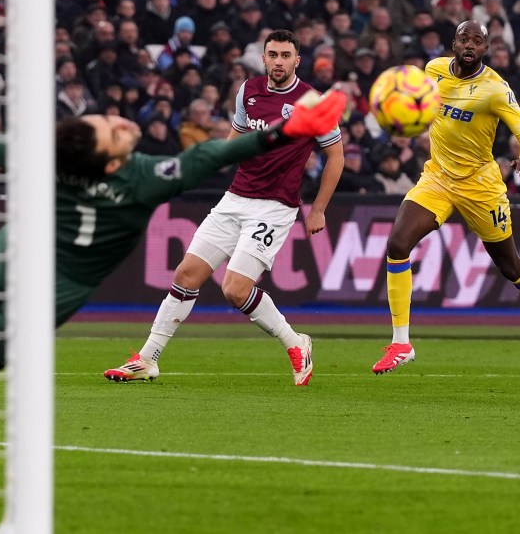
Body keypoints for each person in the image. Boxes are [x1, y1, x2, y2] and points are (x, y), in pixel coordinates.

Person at [0, 88, 348, 482]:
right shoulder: (144, 179)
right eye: (113, 132)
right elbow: (218, 152)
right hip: (51, 286)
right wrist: (290, 130)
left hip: (7, 256)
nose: (122, 125)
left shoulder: (44, 156)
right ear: (108, 163)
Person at [104, 29, 344, 387]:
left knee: (234, 289)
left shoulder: (312, 101)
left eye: (285, 55)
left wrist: (318, 209)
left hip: (274, 208)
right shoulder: (248, 91)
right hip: (234, 199)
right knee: (186, 274)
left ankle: (295, 343)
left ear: (297, 60)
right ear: (263, 58)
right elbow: (234, 141)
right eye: (273, 55)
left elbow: (335, 156)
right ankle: (147, 359)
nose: (278, 61)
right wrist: (200, 166)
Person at [371, 20, 520, 377]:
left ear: (486, 48)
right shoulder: (433, 71)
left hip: (481, 185)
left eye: (477, 41)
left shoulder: (495, 89)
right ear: (454, 43)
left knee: (510, 265)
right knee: (398, 243)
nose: (470, 45)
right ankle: (401, 342)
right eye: (464, 39)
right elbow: (408, 97)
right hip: (437, 177)